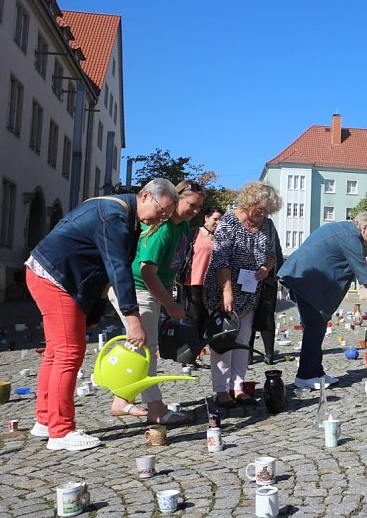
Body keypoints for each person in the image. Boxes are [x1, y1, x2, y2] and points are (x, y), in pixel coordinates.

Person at [25, 179, 176, 451]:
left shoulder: (124, 216)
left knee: (56, 352)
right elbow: (117, 268)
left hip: (48, 273)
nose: (161, 219)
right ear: (145, 196)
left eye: (166, 216)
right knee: (69, 352)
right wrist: (133, 319)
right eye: (160, 211)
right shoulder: (114, 217)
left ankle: (46, 421)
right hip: (57, 278)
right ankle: (61, 431)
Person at [107, 179, 205, 425]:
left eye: (199, 207)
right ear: (175, 200)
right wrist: (170, 304)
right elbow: (147, 272)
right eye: (191, 205)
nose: (195, 211)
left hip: (151, 293)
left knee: (141, 349)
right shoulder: (162, 229)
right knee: (146, 351)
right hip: (139, 292)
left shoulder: (182, 227)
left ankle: (121, 399)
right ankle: (155, 409)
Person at [278, 211, 367, 389]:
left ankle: (317, 372)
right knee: (314, 327)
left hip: (304, 278)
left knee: (318, 325)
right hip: (304, 280)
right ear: (364, 228)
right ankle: (304, 376)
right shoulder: (350, 238)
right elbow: (366, 277)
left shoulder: (344, 230)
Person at [203, 182, 280, 408]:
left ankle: (237, 386)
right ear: (249, 202)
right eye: (261, 209)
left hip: (250, 291)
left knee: (243, 339)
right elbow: (220, 259)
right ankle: (221, 390)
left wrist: (266, 268)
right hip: (223, 289)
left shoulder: (267, 225)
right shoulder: (228, 221)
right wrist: (226, 292)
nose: (264, 214)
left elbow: (272, 255)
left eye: (267, 211)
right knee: (224, 339)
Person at [179, 206, 224, 368]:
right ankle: (187, 356)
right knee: (193, 320)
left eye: (220, 220)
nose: (218, 223)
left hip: (212, 284)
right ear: (206, 218)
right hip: (193, 282)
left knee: (206, 321)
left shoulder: (221, 238)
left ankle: (197, 354)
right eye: (215, 219)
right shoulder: (194, 233)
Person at [248, 225, 284, 364]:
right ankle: (248, 355)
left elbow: (276, 252)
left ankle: (269, 354)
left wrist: (278, 275)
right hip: (247, 276)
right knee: (248, 314)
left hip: (267, 277)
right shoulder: (241, 224)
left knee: (267, 315)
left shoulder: (269, 227)